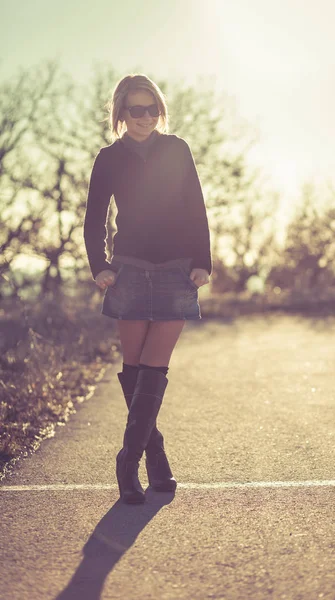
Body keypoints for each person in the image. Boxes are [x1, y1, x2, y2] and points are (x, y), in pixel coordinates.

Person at [83, 73, 212, 504]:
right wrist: (99, 265)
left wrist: (202, 260)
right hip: (130, 271)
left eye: (151, 109)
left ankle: (128, 459)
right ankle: (153, 458)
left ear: (160, 110)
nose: (144, 117)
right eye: (135, 110)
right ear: (121, 113)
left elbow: (195, 205)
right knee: (135, 368)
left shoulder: (177, 149)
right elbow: (95, 215)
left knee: (153, 368)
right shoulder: (108, 158)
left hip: (177, 269)